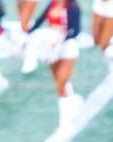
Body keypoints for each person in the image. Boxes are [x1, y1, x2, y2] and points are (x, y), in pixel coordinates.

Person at [24, 0, 84, 132]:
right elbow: (41, 19)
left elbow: (76, 30)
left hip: (68, 47)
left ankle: (65, 124)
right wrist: (28, 34)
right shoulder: (53, 3)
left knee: (61, 83)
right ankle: (72, 99)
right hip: (52, 47)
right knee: (59, 81)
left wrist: (61, 38)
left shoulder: (73, 7)